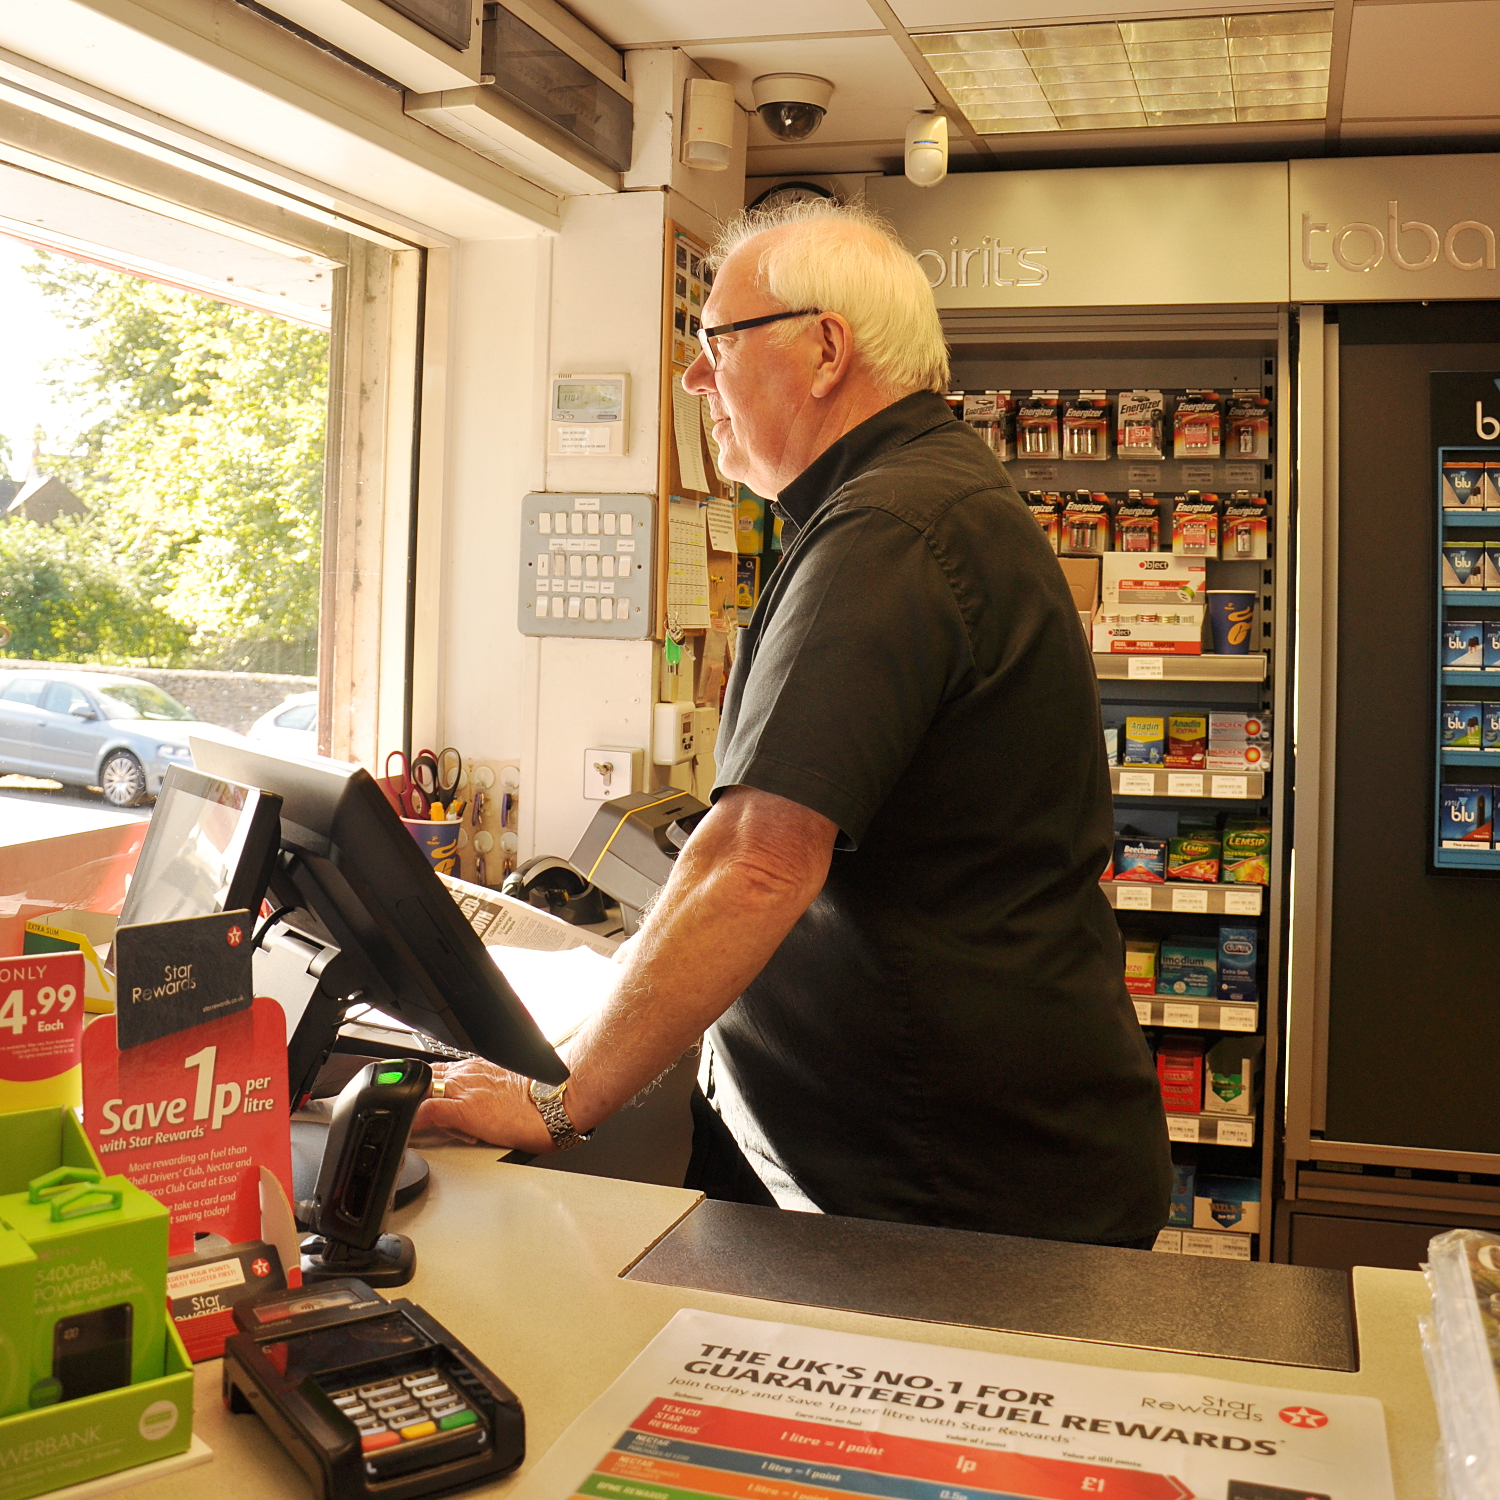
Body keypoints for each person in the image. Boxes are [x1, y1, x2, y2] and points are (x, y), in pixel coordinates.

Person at [417, 200, 1171, 1247]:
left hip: (945, 1193)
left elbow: (759, 862)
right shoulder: (904, 502)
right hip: (909, 1159)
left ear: (824, 351)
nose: (692, 379)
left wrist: (557, 1096)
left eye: (714, 343)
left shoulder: (890, 528)